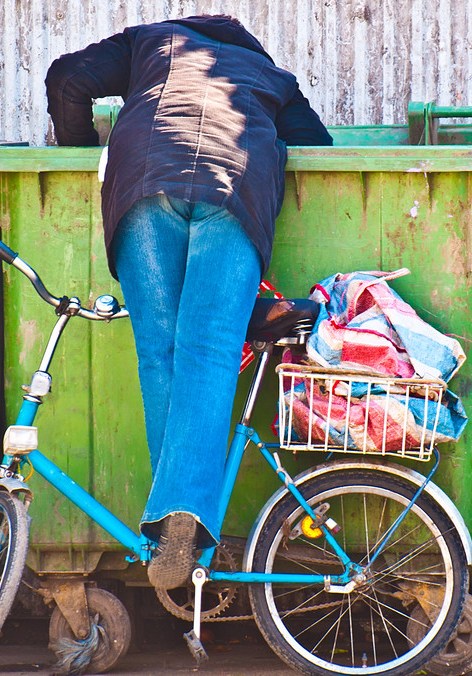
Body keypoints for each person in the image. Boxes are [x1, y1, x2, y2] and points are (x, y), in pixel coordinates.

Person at [44, 16, 332, 591]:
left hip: (145, 178)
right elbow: (321, 152)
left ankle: (170, 528)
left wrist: (80, 158)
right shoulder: (271, 76)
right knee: (209, 350)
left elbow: (67, 79)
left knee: (161, 352)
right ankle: (186, 522)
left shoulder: (152, 41)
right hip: (235, 188)